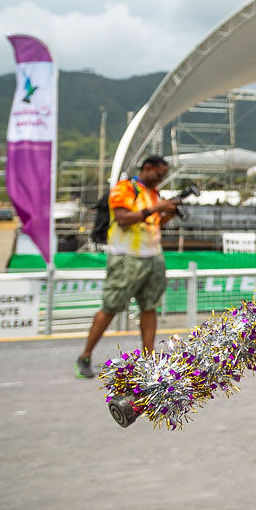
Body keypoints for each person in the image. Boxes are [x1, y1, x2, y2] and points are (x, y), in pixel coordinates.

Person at [75, 156, 179, 379]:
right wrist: (157, 207)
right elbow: (123, 219)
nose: (160, 179)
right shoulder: (125, 188)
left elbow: (153, 222)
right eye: (159, 174)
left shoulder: (153, 193)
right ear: (148, 168)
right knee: (111, 306)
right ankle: (85, 355)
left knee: (149, 307)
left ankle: (149, 360)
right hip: (125, 257)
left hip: (153, 256)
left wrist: (167, 213)